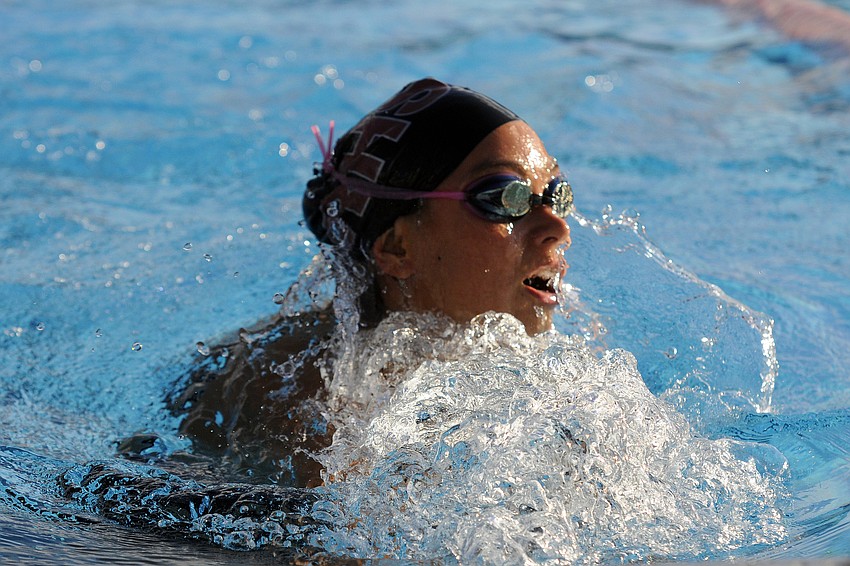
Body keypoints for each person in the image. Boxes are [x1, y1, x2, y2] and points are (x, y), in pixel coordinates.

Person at [163, 77, 573, 487]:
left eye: (557, 194)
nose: (557, 228)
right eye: (504, 196)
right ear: (397, 248)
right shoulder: (304, 401)